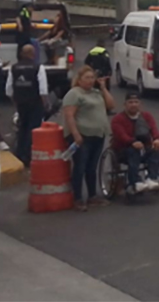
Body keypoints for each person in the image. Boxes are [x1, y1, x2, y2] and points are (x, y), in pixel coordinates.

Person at [62, 66, 114, 211]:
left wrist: (103, 88)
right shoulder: (74, 94)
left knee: (92, 167)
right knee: (80, 166)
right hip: (82, 135)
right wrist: (75, 134)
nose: (90, 81)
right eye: (87, 78)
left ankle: (92, 196)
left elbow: (111, 105)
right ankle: (77, 198)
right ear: (79, 80)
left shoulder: (96, 93)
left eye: (92, 78)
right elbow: (69, 115)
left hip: (97, 135)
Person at [110, 94, 159, 194]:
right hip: (124, 150)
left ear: (140, 104)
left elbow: (154, 128)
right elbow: (121, 135)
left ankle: (151, 178)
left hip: (144, 147)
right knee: (133, 151)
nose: (133, 105)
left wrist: (157, 139)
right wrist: (132, 142)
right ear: (125, 104)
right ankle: (136, 181)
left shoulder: (146, 116)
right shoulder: (117, 119)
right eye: (130, 102)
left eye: (136, 102)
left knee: (157, 148)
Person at [6, 44, 48, 166]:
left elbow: (8, 89)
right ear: (33, 54)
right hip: (35, 103)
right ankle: (29, 156)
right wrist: (45, 104)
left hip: (21, 103)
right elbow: (43, 90)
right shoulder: (38, 67)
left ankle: (19, 154)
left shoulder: (13, 68)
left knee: (22, 128)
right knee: (33, 129)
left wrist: (15, 102)